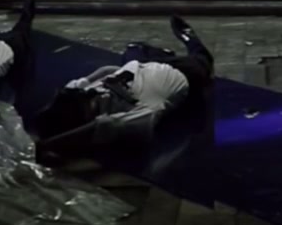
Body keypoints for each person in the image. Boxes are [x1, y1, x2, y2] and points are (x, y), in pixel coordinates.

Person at [33, 16, 214, 153]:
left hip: (140, 64)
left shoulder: (82, 94)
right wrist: (50, 145)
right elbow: (105, 126)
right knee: (202, 62)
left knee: (133, 47)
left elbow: (105, 71)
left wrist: (105, 76)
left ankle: (164, 54)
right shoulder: (134, 111)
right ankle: (191, 40)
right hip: (182, 71)